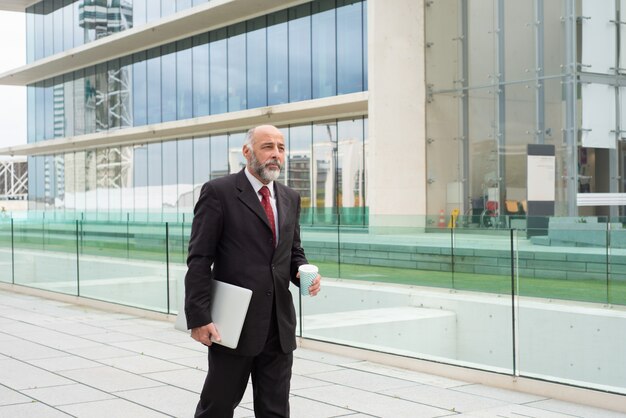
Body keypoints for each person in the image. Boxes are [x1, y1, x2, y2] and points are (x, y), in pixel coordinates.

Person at [184, 124, 322, 417]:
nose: (275, 155)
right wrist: (199, 316)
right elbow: (199, 258)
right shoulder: (219, 192)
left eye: (281, 148)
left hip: (279, 326)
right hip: (232, 325)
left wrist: (302, 272)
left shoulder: (290, 197)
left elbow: (292, 251)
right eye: (267, 147)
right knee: (217, 408)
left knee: (275, 411)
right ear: (247, 152)